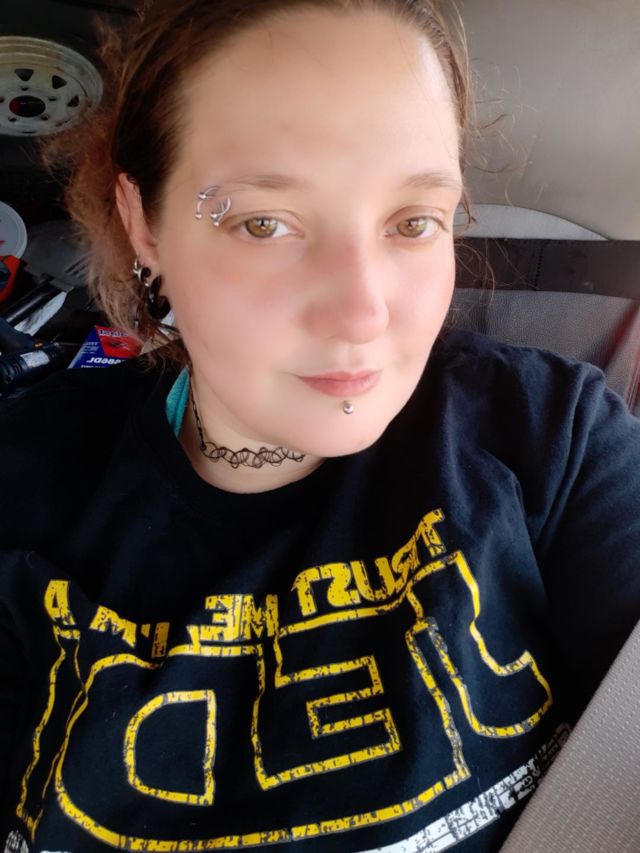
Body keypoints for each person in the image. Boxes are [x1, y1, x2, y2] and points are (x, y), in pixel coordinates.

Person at [0, 0, 638, 851]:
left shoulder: (555, 435)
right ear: (142, 221)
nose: (362, 311)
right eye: (264, 223)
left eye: (413, 222)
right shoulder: (20, 482)